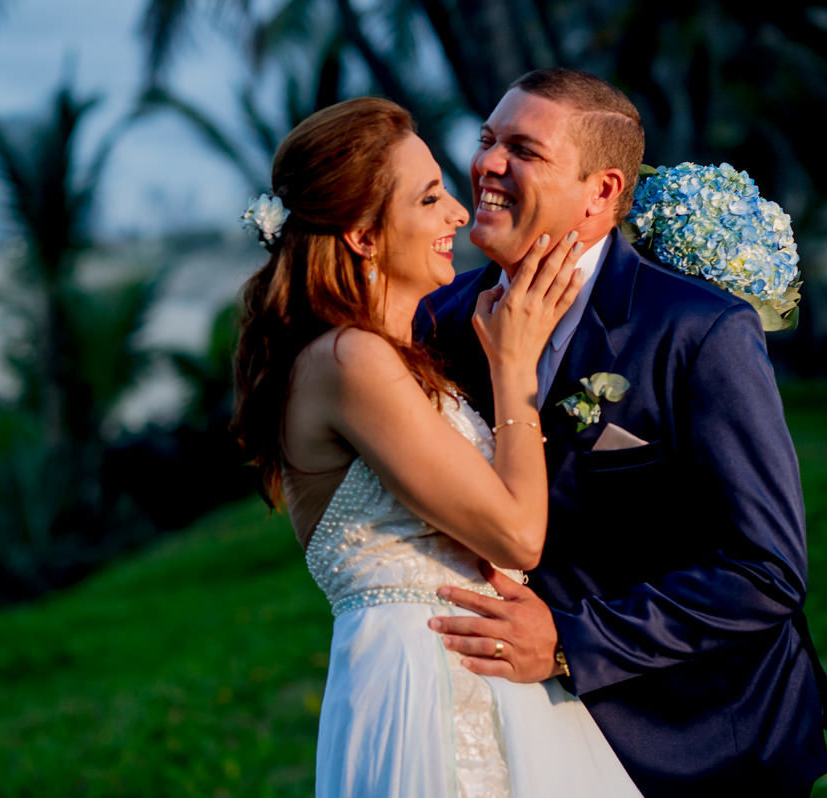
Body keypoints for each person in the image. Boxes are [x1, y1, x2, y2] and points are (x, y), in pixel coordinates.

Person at [421, 68, 827, 797]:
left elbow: (765, 570)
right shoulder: (442, 322)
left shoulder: (698, 329)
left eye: (523, 150)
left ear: (601, 193)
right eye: (488, 140)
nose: (488, 165)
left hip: (704, 738)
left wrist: (569, 642)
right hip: (522, 735)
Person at [232, 96, 642, 797]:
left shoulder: (392, 356)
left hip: (477, 666)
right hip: (423, 683)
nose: (459, 212)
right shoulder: (348, 360)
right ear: (363, 236)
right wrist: (515, 367)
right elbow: (516, 535)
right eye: (429, 198)